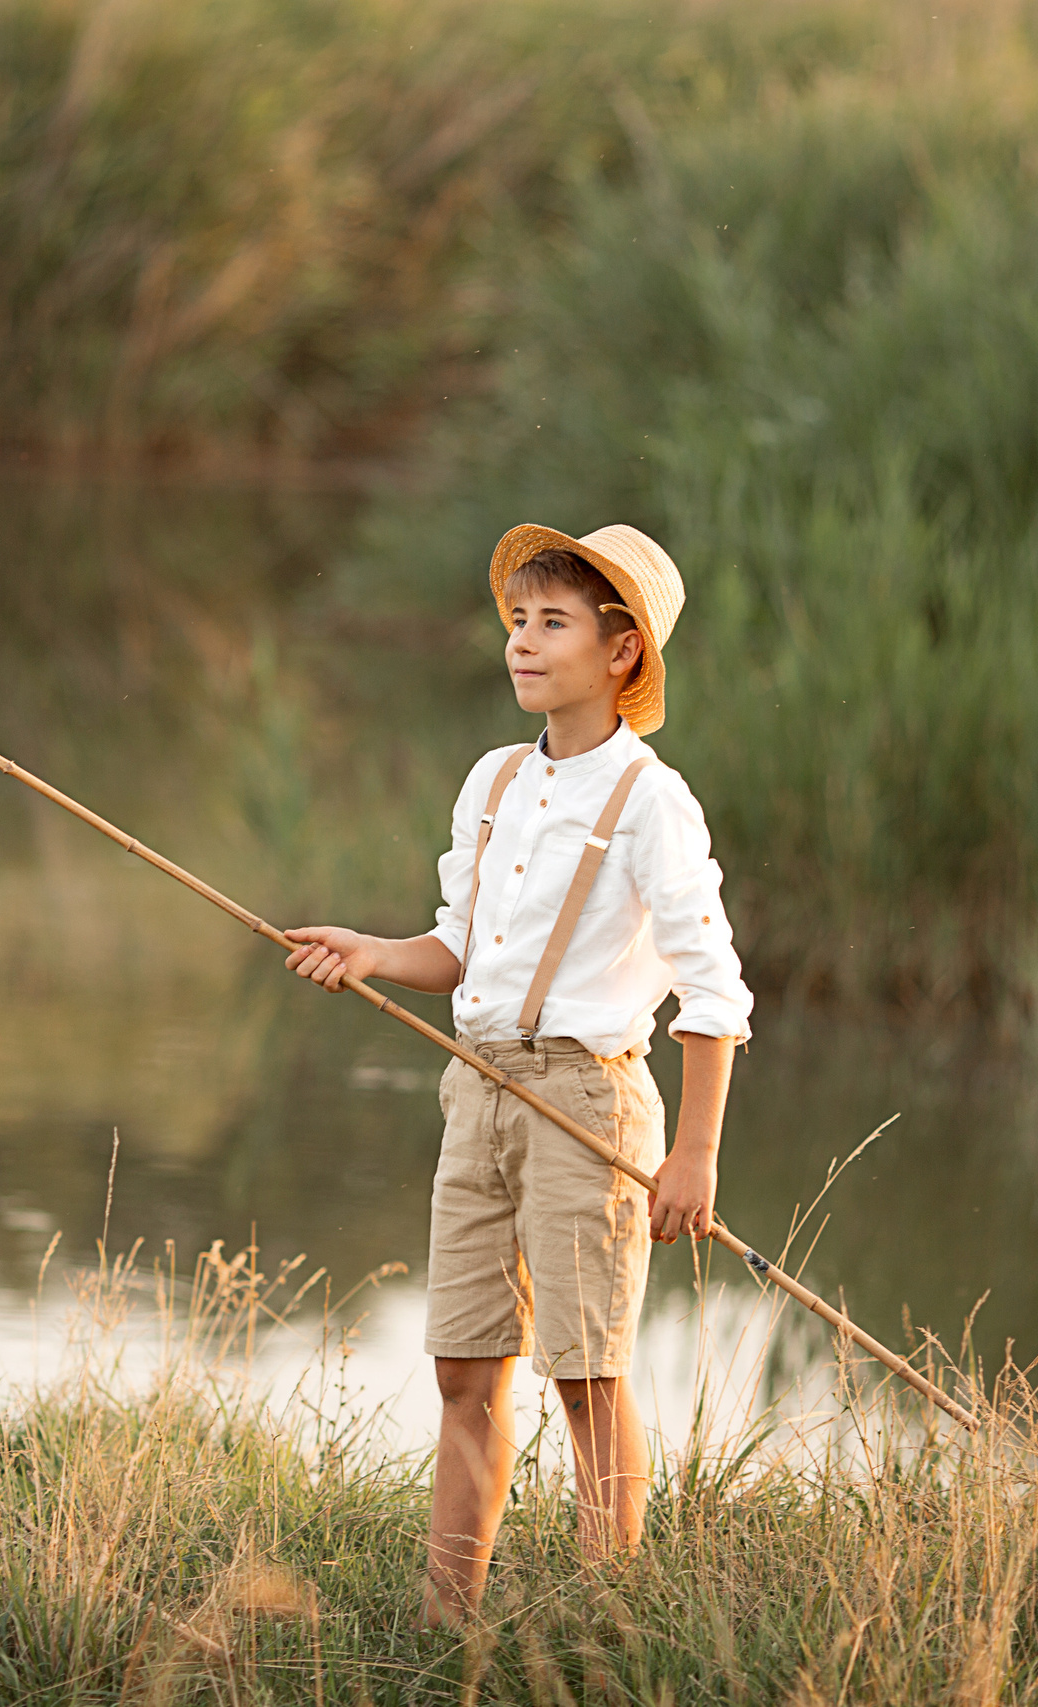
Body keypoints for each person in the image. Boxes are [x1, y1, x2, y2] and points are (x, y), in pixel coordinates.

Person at [281, 522, 752, 1625]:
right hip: (476, 1089)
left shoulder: (650, 799)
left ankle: (612, 1619)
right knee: (464, 1370)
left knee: (587, 1377)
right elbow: (459, 948)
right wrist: (371, 954)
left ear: (621, 648)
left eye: (553, 625)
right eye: (516, 623)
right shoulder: (492, 781)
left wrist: (694, 1156)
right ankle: (449, 1622)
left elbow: (713, 991)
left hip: (588, 1099)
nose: (523, 645)